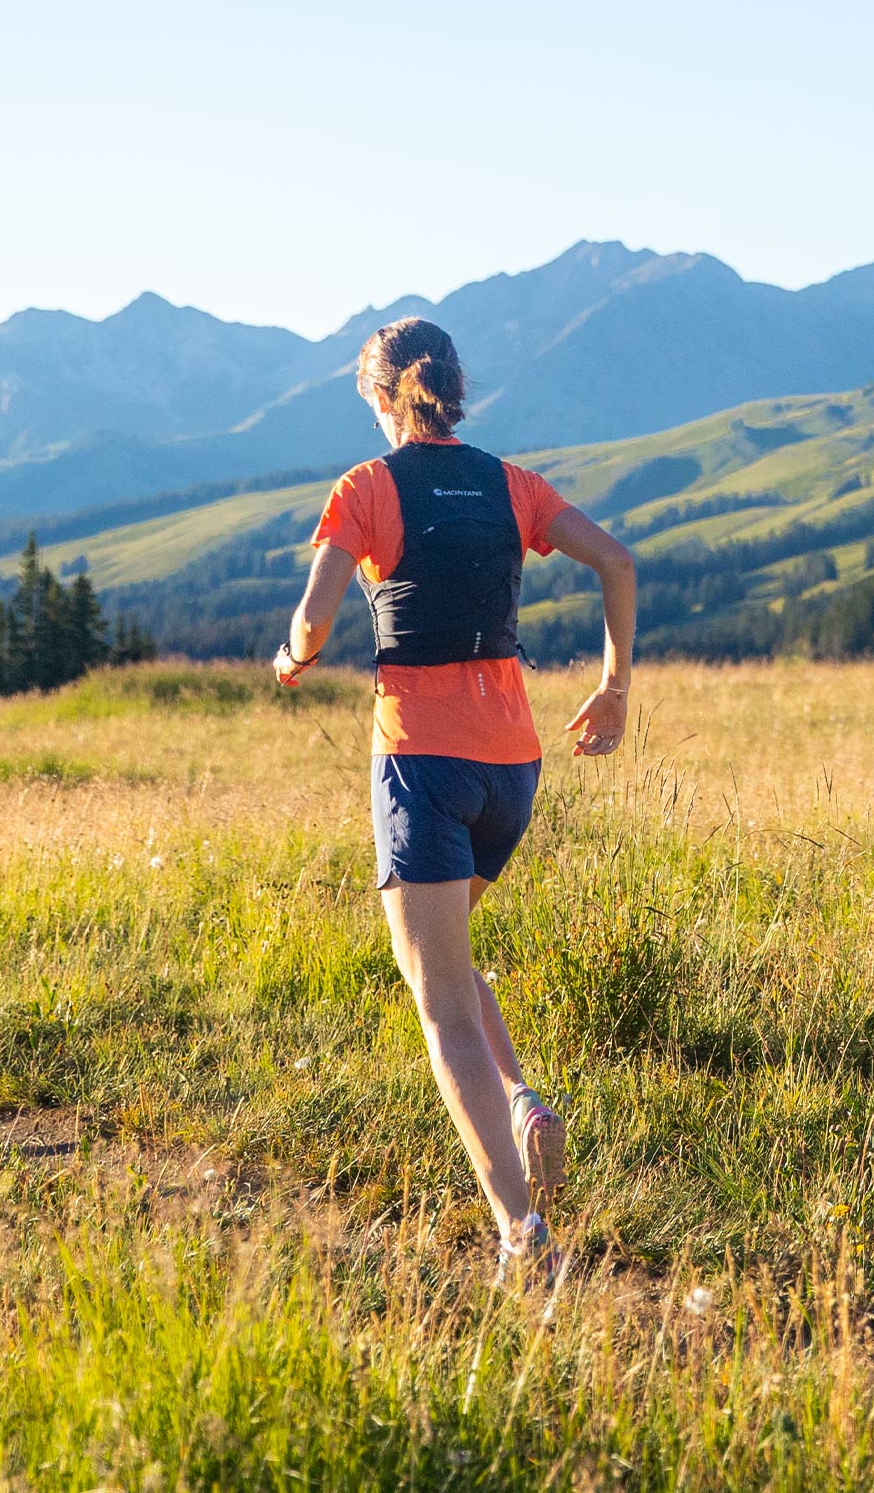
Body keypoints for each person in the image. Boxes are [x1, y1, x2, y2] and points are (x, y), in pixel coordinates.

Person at [274, 317, 635, 1282]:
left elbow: (313, 615)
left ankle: (523, 1234)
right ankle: (520, 1102)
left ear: (383, 399)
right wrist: (614, 688)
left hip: (421, 763)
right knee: (447, 954)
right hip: (512, 768)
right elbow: (618, 563)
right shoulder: (510, 483)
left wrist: (291, 658)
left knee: (436, 1002)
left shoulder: (366, 488)